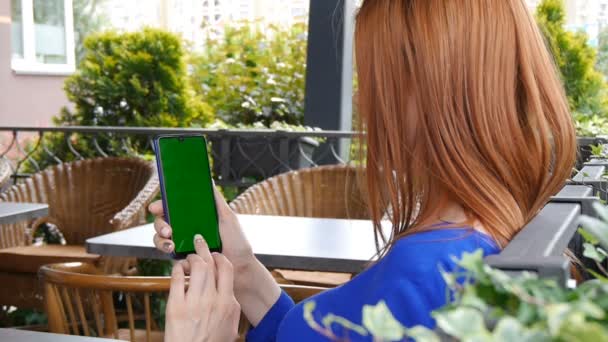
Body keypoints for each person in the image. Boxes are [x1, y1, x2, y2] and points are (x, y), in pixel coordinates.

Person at [151, 0, 577, 340]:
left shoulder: (416, 280)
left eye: (373, 78)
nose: (361, 100)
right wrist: (240, 268)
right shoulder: (488, 241)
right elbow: (307, 333)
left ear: (426, 92)